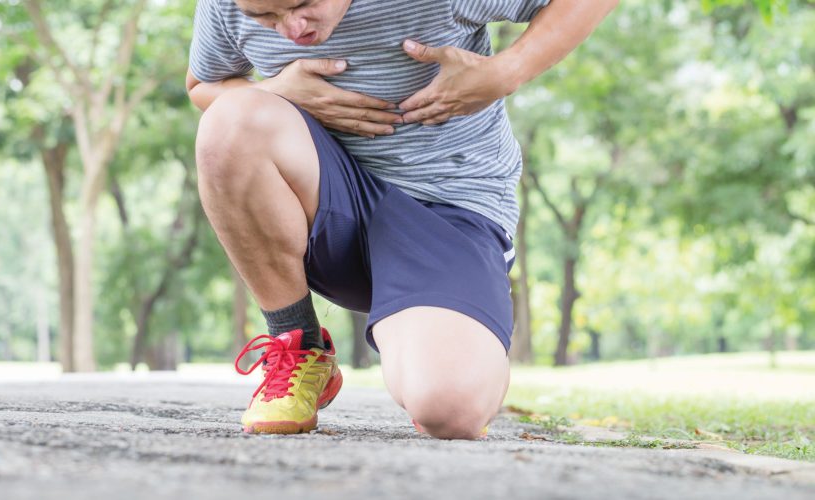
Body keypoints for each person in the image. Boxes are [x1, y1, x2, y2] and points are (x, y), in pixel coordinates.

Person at [185, 0, 617, 439]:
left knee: (447, 410)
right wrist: (277, 89)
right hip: (328, 203)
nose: (291, 28)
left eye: (304, 4)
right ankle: (297, 343)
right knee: (229, 122)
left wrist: (507, 71)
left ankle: (441, 343)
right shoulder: (226, 5)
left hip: (448, 213)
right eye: (266, 18)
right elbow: (203, 84)